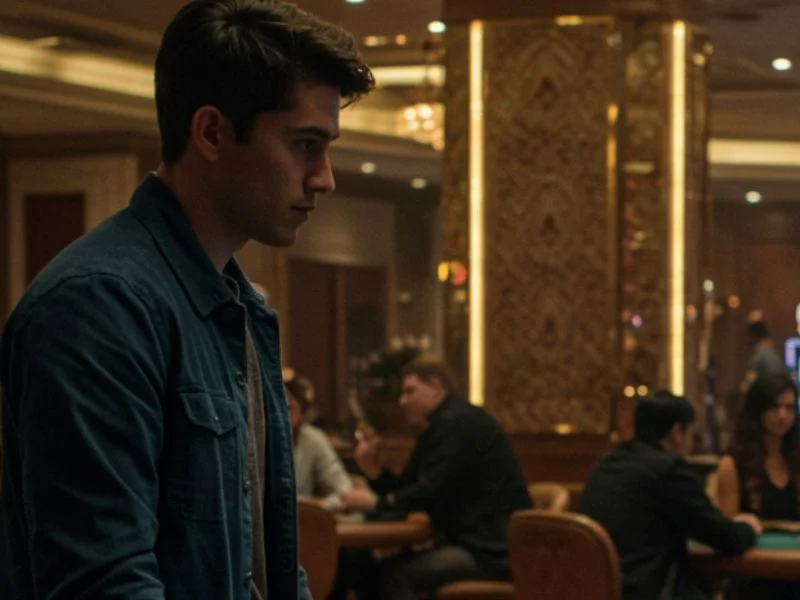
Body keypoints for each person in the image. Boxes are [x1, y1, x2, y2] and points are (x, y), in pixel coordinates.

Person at [0, 1, 374, 599]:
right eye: (305, 145)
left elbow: (272, 562)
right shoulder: (99, 306)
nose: (324, 177)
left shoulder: (239, 306)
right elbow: (105, 582)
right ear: (211, 133)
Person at [340, 357, 532, 600]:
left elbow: (428, 493)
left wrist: (377, 503)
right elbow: (411, 487)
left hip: (492, 552)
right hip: (470, 543)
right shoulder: (439, 426)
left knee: (397, 574)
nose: (402, 401)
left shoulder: (460, 424)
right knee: (361, 562)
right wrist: (374, 471)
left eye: (410, 391)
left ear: (435, 386)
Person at [579, 391, 761, 600]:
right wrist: (749, 527)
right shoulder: (669, 470)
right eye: (692, 434)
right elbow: (726, 538)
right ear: (677, 433)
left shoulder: (605, 465)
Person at [717, 373, 800, 599]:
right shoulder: (732, 465)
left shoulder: (796, 460)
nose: (783, 415)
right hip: (752, 577)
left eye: (789, 407)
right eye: (774, 407)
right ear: (758, 410)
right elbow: (728, 531)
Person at [284, 366, 353, 509]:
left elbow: (345, 492)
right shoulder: (251, 440)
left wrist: (315, 505)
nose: (278, 416)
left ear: (303, 412)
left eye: (287, 408)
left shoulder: (312, 439)